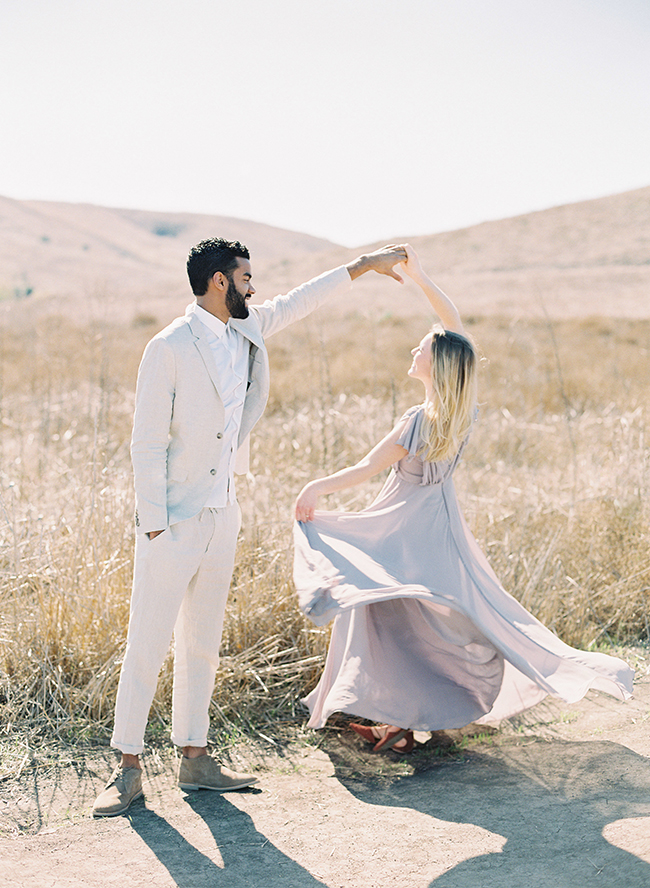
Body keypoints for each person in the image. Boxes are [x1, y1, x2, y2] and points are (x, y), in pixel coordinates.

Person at [92, 238, 408, 816]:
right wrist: (156, 525)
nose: (253, 288)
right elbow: (145, 443)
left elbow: (299, 301)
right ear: (219, 281)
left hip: (224, 514)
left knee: (202, 645)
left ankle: (195, 758)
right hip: (173, 522)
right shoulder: (167, 347)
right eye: (245, 278)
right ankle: (127, 768)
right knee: (148, 643)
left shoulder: (247, 329)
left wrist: (361, 267)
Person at [293, 244, 634, 754]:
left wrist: (313, 489)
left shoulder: (417, 420)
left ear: (435, 363)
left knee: (383, 611)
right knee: (448, 616)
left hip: (403, 527)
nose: (414, 351)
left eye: (421, 348)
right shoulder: (460, 411)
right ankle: (401, 723)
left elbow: (366, 469)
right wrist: (423, 278)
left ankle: (404, 718)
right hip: (443, 526)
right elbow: (454, 331)